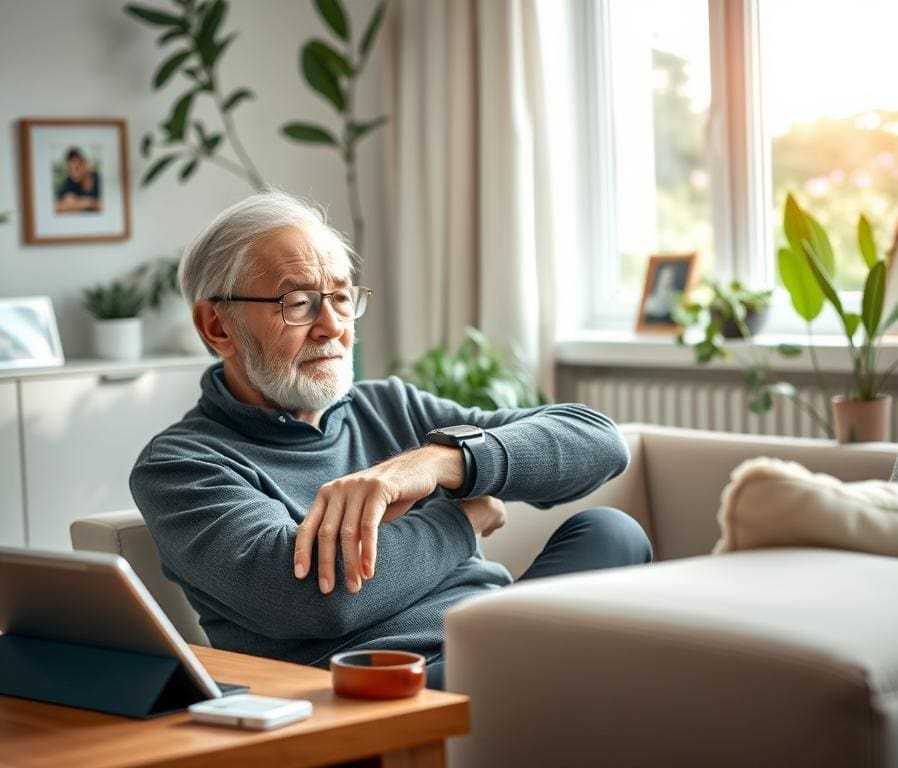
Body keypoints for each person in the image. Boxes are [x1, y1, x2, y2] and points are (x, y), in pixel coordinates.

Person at [130, 190, 653, 689]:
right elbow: (315, 598)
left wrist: (440, 462)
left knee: (612, 532)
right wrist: (461, 519)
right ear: (217, 326)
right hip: (382, 691)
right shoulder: (182, 464)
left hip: (495, 637)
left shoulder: (389, 406)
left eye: (339, 297)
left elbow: (599, 442)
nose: (332, 326)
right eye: (298, 304)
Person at [56, 147, 101, 213]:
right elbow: (57, 207)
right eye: (70, 169)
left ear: (85, 164)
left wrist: (86, 202)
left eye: (77, 168)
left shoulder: (99, 179)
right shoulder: (70, 181)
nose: (74, 173)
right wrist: (87, 203)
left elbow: (108, 205)